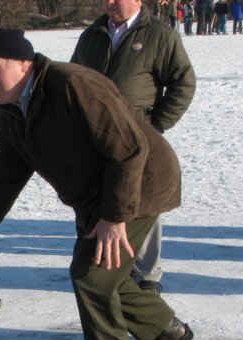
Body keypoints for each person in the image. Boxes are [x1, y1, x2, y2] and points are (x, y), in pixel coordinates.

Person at [0, 28, 194, 340]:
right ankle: (165, 331)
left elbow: (128, 150)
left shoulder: (72, 84)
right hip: (94, 197)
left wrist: (114, 217)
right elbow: (3, 181)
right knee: (107, 276)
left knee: (92, 275)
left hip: (140, 183)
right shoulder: (10, 113)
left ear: (24, 62)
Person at [70, 0, 196, 295]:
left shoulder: (159, 35)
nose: (109, 3)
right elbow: (74, 80)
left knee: (141, 202)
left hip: (138, 139)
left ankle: (147, 275)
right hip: (96, 137)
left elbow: (183, 83)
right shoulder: (92, 34)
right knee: (101, 199)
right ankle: (108, 267)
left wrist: (155, 127)